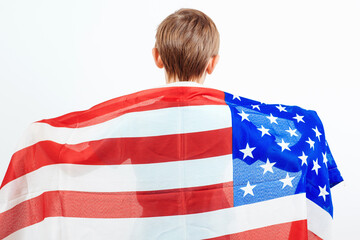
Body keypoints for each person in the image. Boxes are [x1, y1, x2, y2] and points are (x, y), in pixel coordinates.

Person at [0, 8, 342, 239]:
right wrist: (308, 127)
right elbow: (285, 155)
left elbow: (84, 156)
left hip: (151, 232)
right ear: (213, 63)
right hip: (217, 231)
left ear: (157, 56)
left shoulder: (131, 120)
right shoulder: (234, 119)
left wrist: (40, 139)